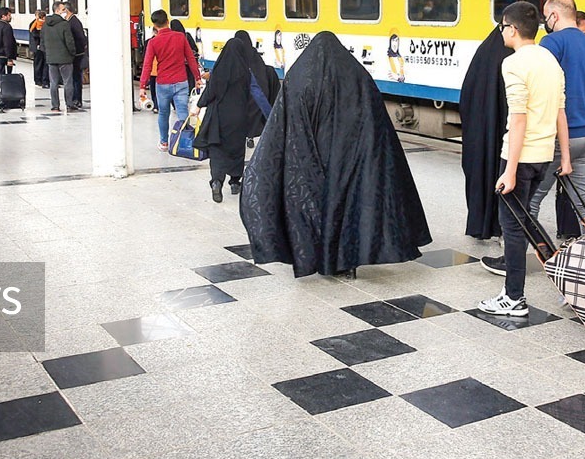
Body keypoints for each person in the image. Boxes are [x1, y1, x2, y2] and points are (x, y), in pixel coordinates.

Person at [240, 31, 431, 276]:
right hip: (351, 154)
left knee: (312, 205)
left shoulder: (299, 75)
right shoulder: (356, 74)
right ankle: (346, 261)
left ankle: (317, 258)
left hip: (310, 153)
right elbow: (375, 120)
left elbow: (285, 118)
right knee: (350, 205)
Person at [477, 1, 571, 316]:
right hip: (544, 156)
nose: (502, 32)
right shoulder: (549, 59)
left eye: (503, 26)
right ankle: (519, 292)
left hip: (520, 156)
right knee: (524, 221)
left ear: (512, 29)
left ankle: (513, 297)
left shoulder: (514, 63)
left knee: (513, 227)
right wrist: (565, 157)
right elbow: (560, 112)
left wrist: (510, 170)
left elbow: (518, 118)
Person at [525, 0, 585, 234]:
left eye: (546, 17)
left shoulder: (551, 43)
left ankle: (515, 258)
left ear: (554, 15)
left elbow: (540, 90)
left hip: (558, 136)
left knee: (531, 198)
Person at [191, 31, 277, 202]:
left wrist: (198, 107)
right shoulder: (246, 73)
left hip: (218, 117)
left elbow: (210, 92)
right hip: (238, 118)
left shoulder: (218, 71)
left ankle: (216, 180)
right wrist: (271, 116)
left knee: (217, 150)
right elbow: (258, 94)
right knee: (237, 151)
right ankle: (235, 182)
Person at [459, 25, 511, 240]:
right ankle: (501, 227)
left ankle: (478, 225)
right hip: (506, 133)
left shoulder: (482, 56)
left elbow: (466, 98)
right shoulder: (513, 57)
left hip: (479, 134)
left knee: (479, 174)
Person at [139, 9, 201, 151]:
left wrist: (143, 86)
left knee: (163, 113)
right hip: (181, 81)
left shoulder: (153, 42)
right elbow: (191, 58)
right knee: (182, 112)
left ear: (154, 26)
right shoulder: (180, 37)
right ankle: (185, 141)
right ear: (168, 21)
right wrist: (197, 77)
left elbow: (147, 65)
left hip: (163, 83)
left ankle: (164, 143)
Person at [41, 2, 80, 112]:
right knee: (68, 82)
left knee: (53, 83)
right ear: (57, 11)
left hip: (51, 59)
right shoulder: (64, 24)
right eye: (63, 9)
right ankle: (69, 104)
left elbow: (42, 41)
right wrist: (73, 53)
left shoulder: (45, 25)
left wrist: (47, 54)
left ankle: (55, 106)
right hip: (65, 59)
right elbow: (70, 42)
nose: (65, 11)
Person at [170, 19, 199, 94]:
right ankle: (190, 93)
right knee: (190, 80)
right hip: (189, 63)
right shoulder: (187, 35)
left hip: (179, 64)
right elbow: (195, 48)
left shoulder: (173, 37)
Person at [67, 7, 88, 109]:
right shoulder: (72, 21)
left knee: (76, 78)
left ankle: (77, 99)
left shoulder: (74, 22)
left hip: (77, 54)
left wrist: (78, 50)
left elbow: (81, 37)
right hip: (76, 53)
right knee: (74, 77)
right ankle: (75, 99)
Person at [28, 10, 48, 88]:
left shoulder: (43, 24)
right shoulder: (33, 24)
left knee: (43, 64)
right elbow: (34, 35)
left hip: (42, 46)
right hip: (37, 47)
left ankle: (43, 80)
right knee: (38, 64)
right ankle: (38, 80)